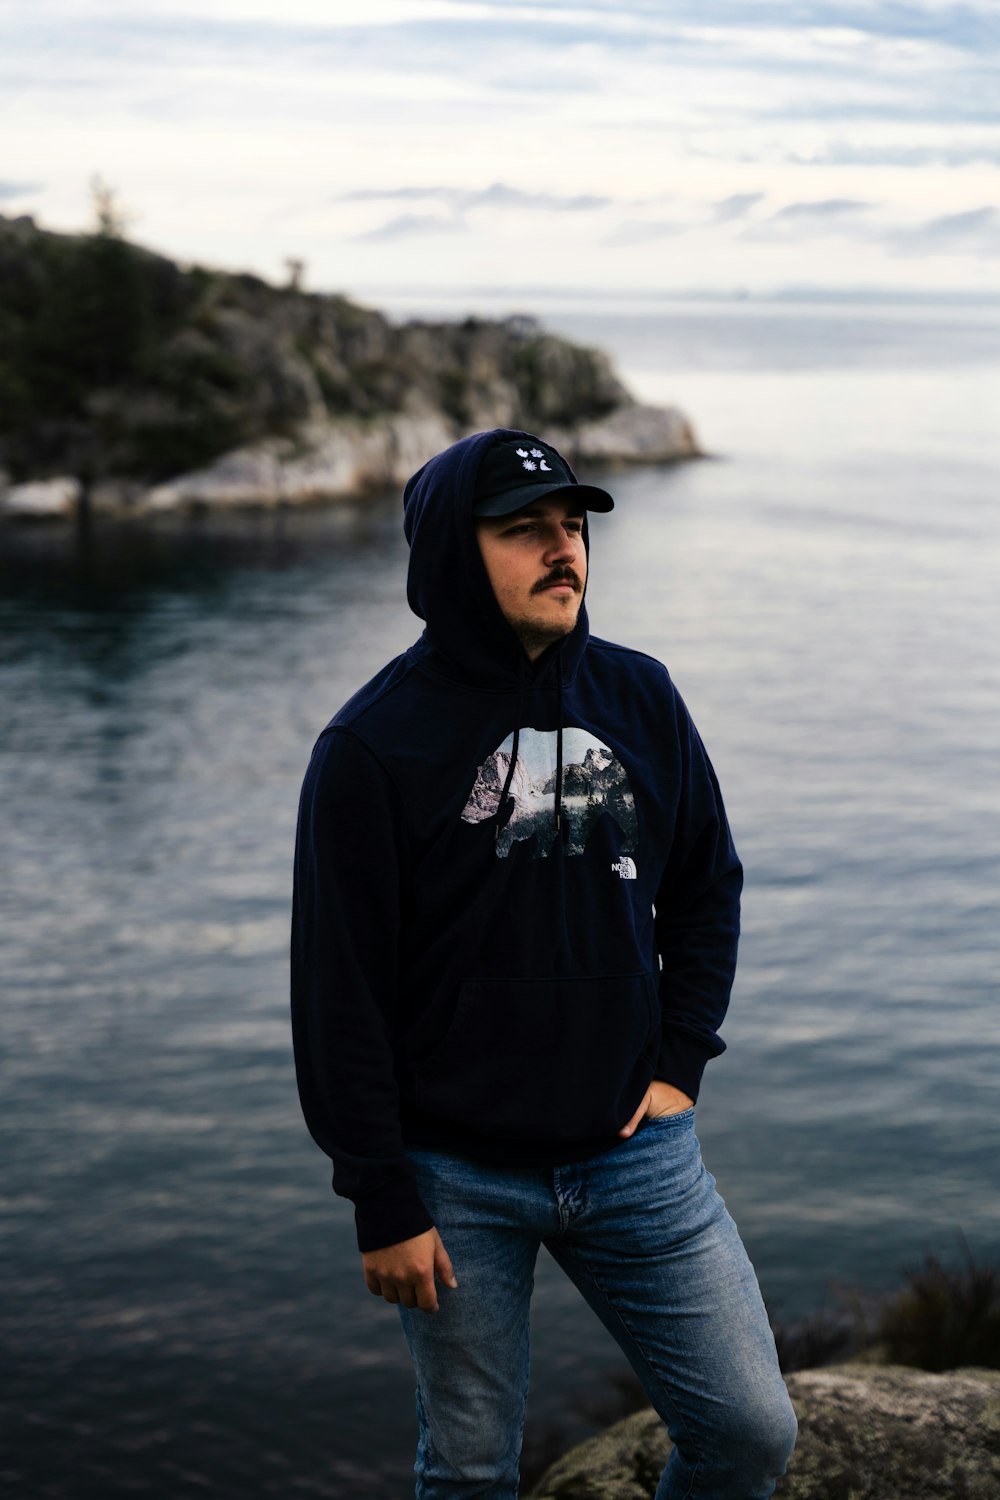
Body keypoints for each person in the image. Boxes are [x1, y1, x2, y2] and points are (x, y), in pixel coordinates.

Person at [291, 428, 797, 1499]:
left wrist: (678, 1068)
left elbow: (707, 888)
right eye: (525, 531)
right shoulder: (372, 747)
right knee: (471, 1469)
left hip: (635, 1157)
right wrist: (380, 1194)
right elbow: (338, 993)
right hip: (454, 1174)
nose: (562, 550)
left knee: (750, 1432)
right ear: (448, 556)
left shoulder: (642, 698)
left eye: (571, 527)